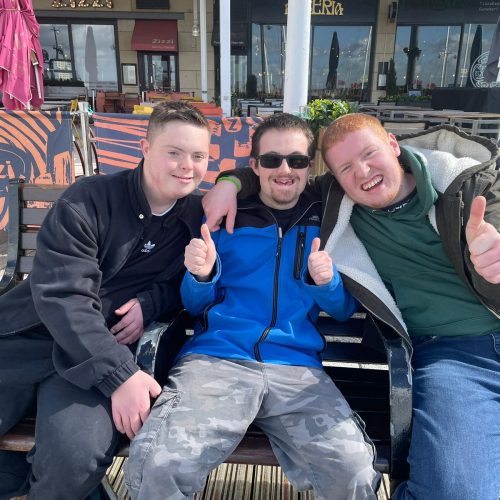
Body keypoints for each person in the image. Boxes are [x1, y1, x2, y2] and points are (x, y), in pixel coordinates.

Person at [204, 113, 500, 500]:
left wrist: (489, 265)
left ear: (394, 145)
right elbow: (276, 172)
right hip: (455, 354)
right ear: (334, 179)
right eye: (346, 168)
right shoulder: (332, 199)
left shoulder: (473, 186)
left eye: (370, 154)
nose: (363, 172)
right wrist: (229, 182)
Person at [125, 113, 381, 500]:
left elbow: (345, 310)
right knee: (160, 466)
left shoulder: (327, 217)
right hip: (218, 360)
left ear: (309, 166)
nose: (285, 169)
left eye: (296, 160)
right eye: (273, 159)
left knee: (354, 471)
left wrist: (325, 283)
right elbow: (195, 306)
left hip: (298, 371)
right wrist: (201, 275)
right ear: (256, 165)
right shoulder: (225, 216)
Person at [0, 101, 211, 500]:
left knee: (76, 457)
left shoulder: (197, 215)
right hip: (34, 335)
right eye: (174, 152)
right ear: (145, 149)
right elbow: (63, 293)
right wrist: (120, 375)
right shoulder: (90, 200)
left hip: (102, 353)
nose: (187, 166)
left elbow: (181, 289)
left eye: (198, 156)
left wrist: (150, 304)